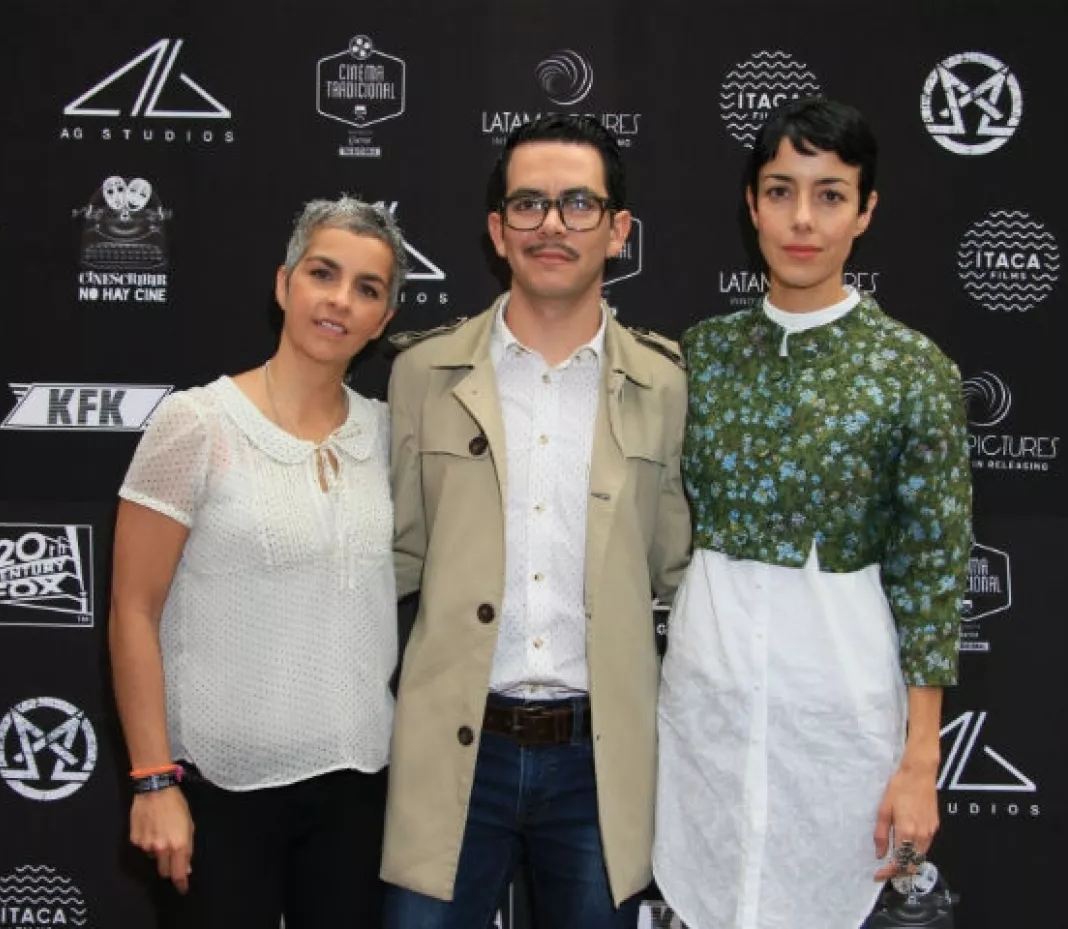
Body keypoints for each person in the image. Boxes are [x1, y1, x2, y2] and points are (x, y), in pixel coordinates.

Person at [653, 98, 972, 929]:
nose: (803, 218)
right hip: (705, 702)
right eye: (780, 190)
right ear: (750, 204)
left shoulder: (912, 369)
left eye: (830, 194)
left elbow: (933, 574)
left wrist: (920, 757)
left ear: (865, 211)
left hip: (841, 713)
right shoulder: (702, 354)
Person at [381, 114, 692, 929]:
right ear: (496, 230)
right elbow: (387, 562)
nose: (552, 224)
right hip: (454, 750)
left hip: (601, 762)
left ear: (618, 231)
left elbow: (683, 573)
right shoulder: (421, 375)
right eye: (528, 204)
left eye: (579, 204)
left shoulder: (667, 388)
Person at [108, 196, 407, 928]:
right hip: (220, 790)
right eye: (323, 274)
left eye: (367, 288)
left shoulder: (389, 434)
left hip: (358, 788)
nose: (340, 300)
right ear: (283, 285)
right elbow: (131, 610)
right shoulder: (197, 422)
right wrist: (153, 781)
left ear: (385, 318)